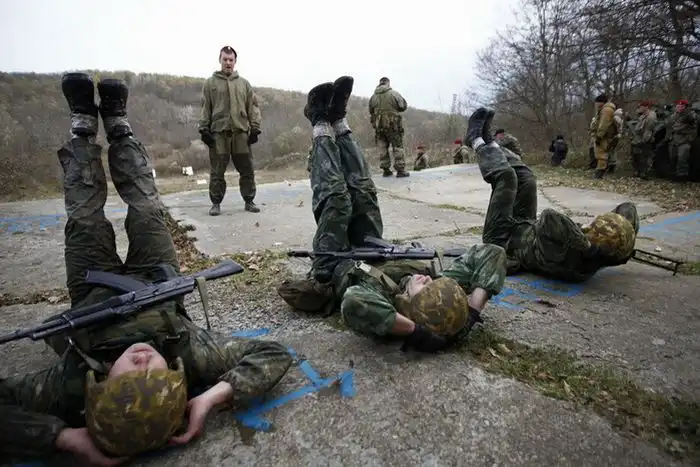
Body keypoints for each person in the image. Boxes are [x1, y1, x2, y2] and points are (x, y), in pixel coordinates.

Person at [0, 73, 292, 466]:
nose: (142, 364)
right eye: (157, 375)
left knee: (85, 218)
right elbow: (273, 353)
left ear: (100, 386)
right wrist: (211, 398)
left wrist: (62, 438)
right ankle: (120, 130)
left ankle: (83, 128)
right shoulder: (191, 356)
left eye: (129, 381)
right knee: (147, 209)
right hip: (157, 277)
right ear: (177, 376)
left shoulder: (69, 385)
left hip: (92, 286)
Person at [278, 77, 507, 352]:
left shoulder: (382, 297)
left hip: (335, 259)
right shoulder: (440, 293)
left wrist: (415, 331)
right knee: (364, 192)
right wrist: (470, 313)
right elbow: (492, 253)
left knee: (337, 199)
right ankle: (339, 122)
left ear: (412, 307)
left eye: (426, 289)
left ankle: (320, 123)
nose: (428, 280)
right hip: (370, 244)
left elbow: (354, 302)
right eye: (437, 283)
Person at [464, 107, 639, 283]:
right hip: (525, 225)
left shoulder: (573, 258)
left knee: (506, 178)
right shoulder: (604, 254)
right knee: (527, 178)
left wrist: (587, 245)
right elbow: (628, 208)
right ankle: (491, 142)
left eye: (591, 228)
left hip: (501, 238)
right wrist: (625, 240)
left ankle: (476, 141)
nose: (588, 225)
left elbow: (549, 217)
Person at [199, 45, 263, 215]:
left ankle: (249, 201)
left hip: (240, 134)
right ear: (220, 60)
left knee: (247, 170)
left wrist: (255, 128)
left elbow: (253, 107)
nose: (228, 62)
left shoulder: (244, 84)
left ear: (235, 62)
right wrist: (203, 128)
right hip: (219, 134)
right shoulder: (210, 83)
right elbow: (205, 107)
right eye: (225, 59)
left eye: (231, 60)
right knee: (217, 171)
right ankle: (216, 203)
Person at [369, 77, 410, 178]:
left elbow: (371, 111)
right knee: (397, 146)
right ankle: (400, 170)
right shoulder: (394, 93)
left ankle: (386, 170)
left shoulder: (373, 97)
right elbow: (403, 106)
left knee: (382, 147)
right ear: (388, 83)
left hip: (379, 126)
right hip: (393, 125)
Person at [668, 99, 698, 182]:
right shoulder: (675, 115)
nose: (680, 107)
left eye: (682, 106)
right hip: (674, 139)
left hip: (684, 140)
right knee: (673, 158)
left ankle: (682, 177)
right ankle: (674, 175)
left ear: (686, 107)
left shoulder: (689, 115)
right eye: (679, 105)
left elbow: (692, 120)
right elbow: (670, 125)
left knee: (682, 159)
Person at [590, 93, 618, 179]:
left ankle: (600, 173)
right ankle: (601, 171)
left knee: (601, 154)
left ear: (601, 102)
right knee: (601, 154)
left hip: (605, 136)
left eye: (597, 103)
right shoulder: (605, 110)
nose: (596, 105)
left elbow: (603, 125)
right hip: (605, 136)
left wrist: (599, 136)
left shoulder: (606, 110)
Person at [630, 100, 658, 179]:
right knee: (636, 156)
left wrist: (643, 141)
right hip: (637, 139)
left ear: (646, 107)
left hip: (644, 140)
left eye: (641, 106)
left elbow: (648, 131)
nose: (639, 108)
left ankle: (644, 173)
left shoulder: (651, 117)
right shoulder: (642, 116)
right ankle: (637, 172)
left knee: (644, 157)